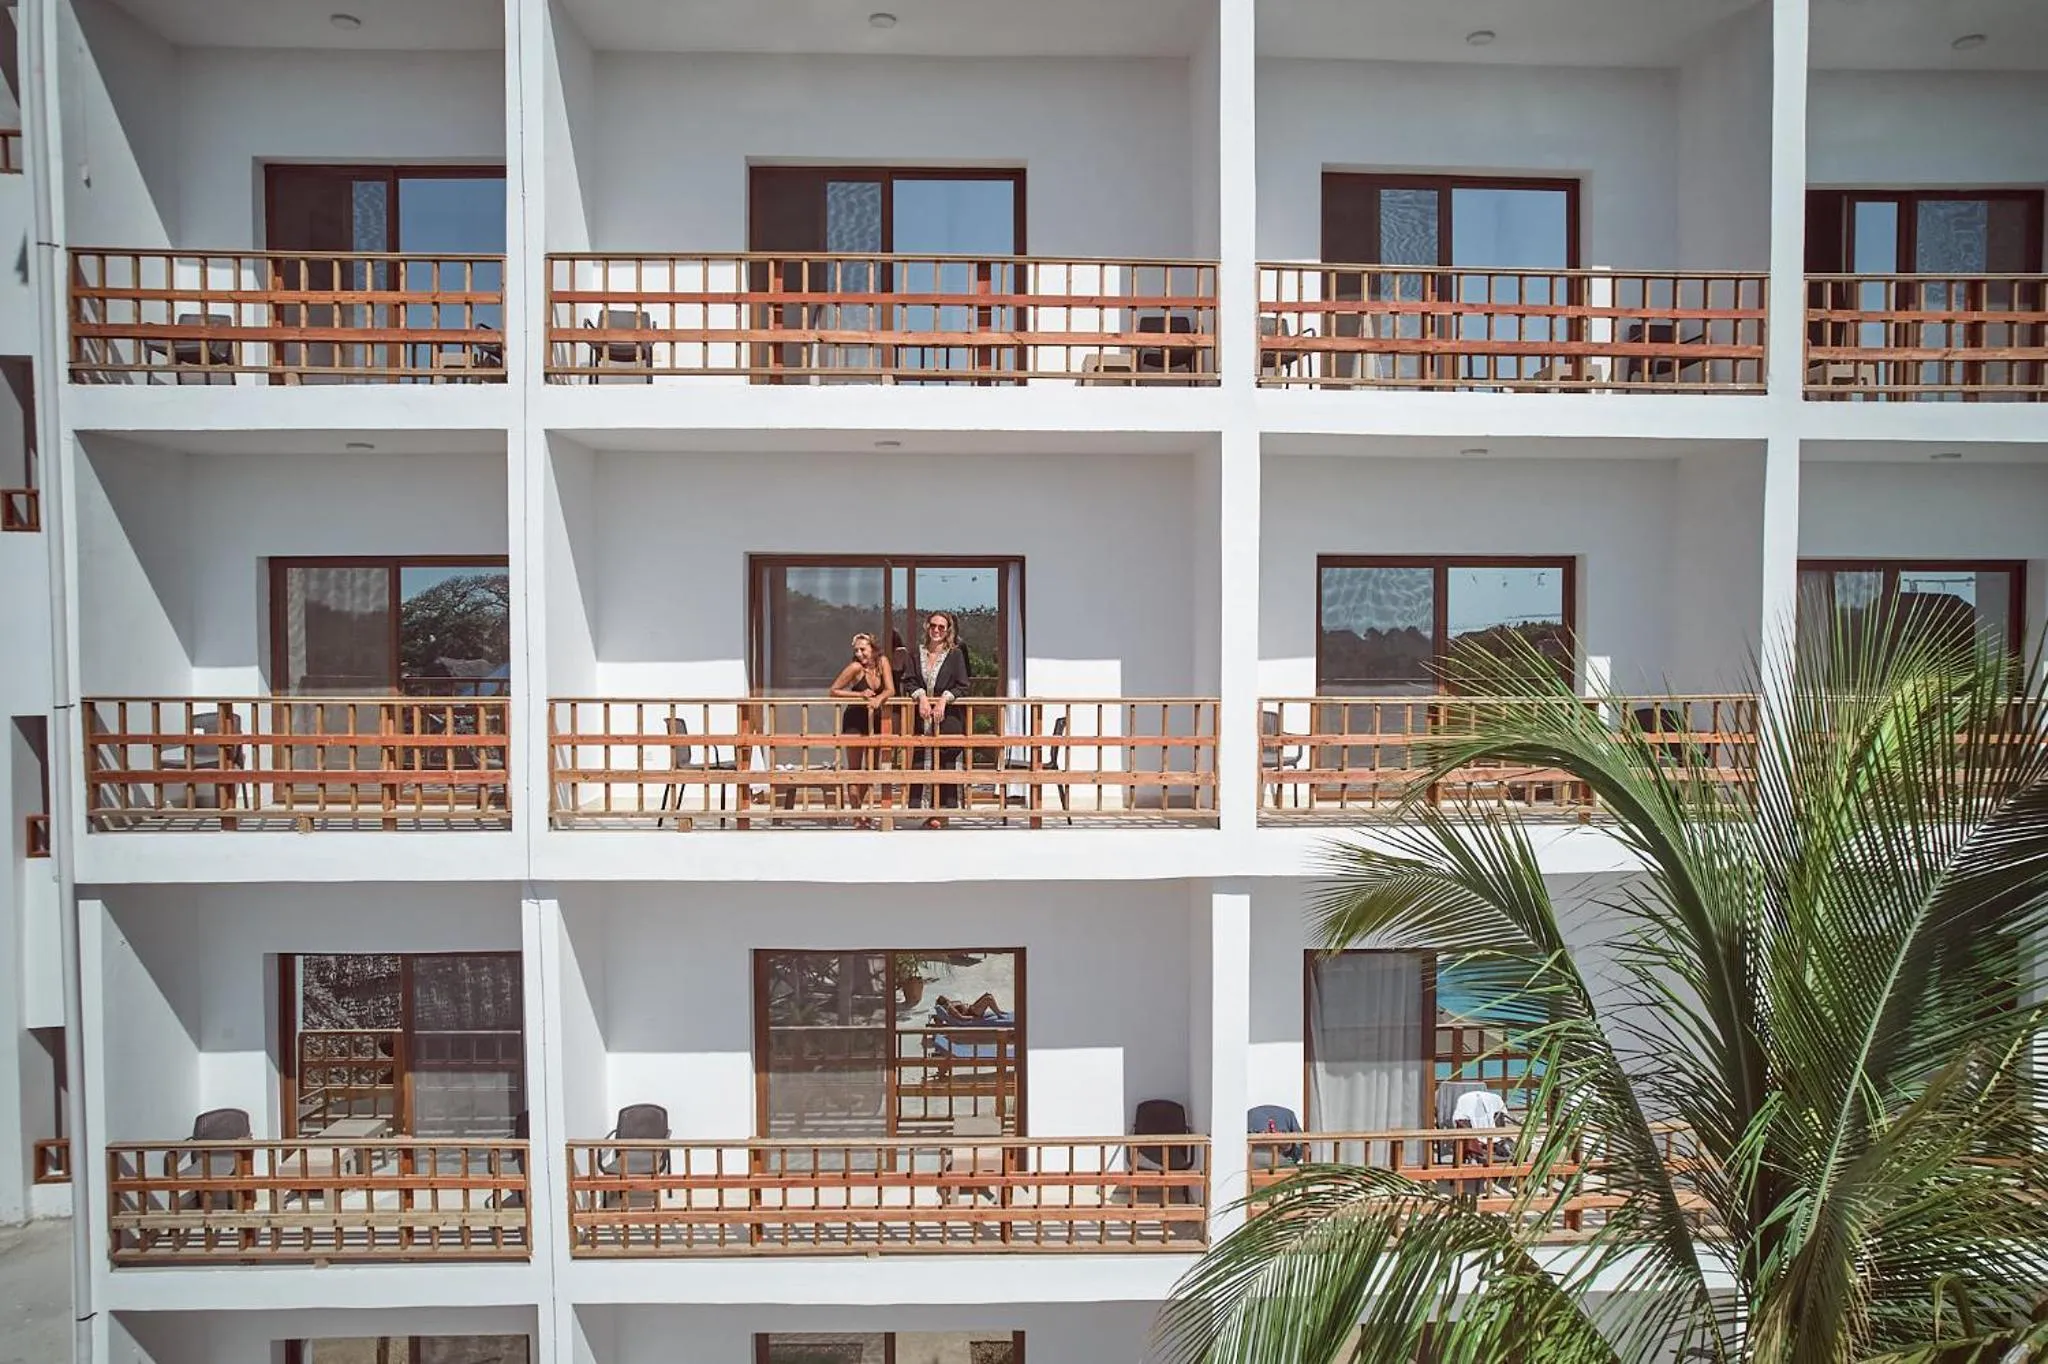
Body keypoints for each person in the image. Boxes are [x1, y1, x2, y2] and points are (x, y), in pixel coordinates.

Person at [900, 611, 973, 827]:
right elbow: (909, 681)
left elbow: (963, 685)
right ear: (927, 627)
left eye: (942, 627)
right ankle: (927, 811)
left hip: (947, 718)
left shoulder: (955, 654)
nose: (937, 630)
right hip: (923, 718)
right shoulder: (916, 653)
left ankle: (942, 813)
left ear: (948, 630)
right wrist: (921, 697)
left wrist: (943, 700)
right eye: (934, 625)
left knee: (946, 762)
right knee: (925, 761)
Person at [828, 633, 893, 827]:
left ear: (872, 648)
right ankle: (857, 815)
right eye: (856, 650)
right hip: (855, 718)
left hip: (875, 717)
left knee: (872, 767)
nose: (859, 654)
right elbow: (833, 691)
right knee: (855, 769)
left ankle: (860, 808)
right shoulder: (855, 668)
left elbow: (890, 689)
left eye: (863, 649)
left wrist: (878, 699)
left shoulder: (882, 662)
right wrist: (859, 694)